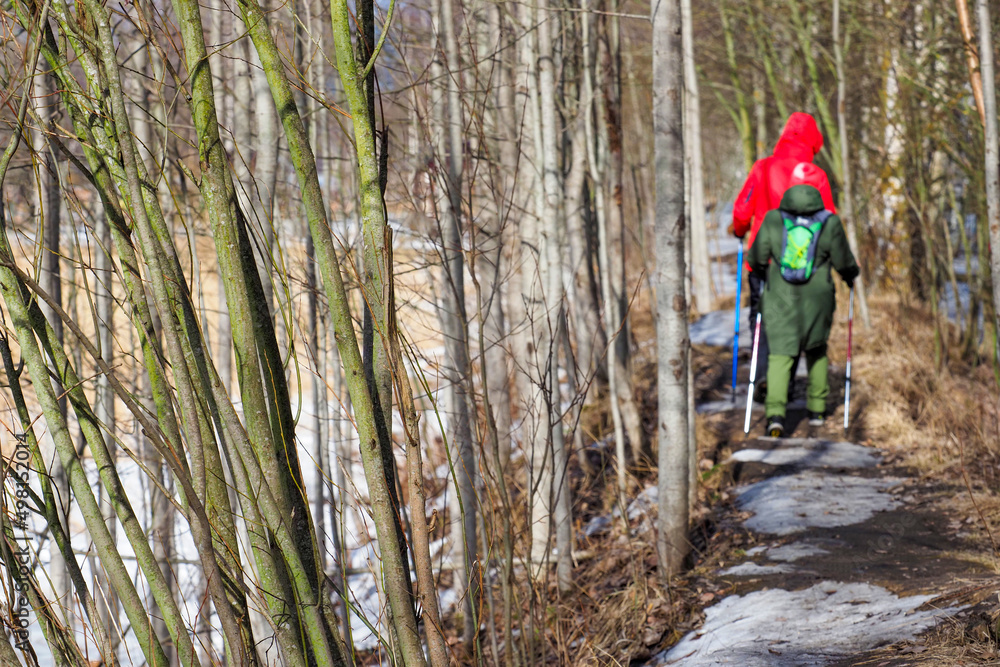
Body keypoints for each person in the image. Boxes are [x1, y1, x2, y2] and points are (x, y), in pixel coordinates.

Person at [731, 112, 837, 393]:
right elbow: (829, 219)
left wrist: (739, 230)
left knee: (762, 314)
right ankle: (783, 384)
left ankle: (764, 373)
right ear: (814, 142)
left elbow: (742, 208)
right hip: (801, 262)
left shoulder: (763, 168)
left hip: (763, 259)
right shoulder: (816, 177)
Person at [747, 183, 859, 437]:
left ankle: (775, 415)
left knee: (779, 354)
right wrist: (851, 274)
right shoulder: (829, 221)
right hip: (818, 296)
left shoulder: (774, 219)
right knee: (816, 348)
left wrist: (767, 273)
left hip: (780, 296)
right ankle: (817, 410)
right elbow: (843, 260)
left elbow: (756, 258)